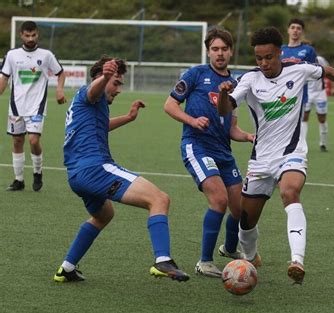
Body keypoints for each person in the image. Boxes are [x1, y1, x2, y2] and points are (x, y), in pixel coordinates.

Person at [217, 27, 334, 284]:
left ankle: (297, 260)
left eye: (269, 57)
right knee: (246, 222)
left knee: (290, 192)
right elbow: (224, 110)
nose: (264, 63)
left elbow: (329, 72)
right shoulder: (249, 80)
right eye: (259, 58)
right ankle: (251, 256)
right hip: (261, 160)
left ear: (279, 53)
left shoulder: (298, 69)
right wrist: (223, 93)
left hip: (292, 153)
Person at [53, 56, 189, 283]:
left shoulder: (92, 106)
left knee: (103, 215)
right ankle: (162, 259)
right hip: (95, 169)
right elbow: (93, 90)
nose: (118, 89)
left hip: (77, 175)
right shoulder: (90, 93)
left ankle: (67, 268)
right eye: (116, 83)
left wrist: (128, 117)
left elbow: (101, 126)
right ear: (100, 78)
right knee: (159, 199)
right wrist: (106, 76)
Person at [164, 28, 253, 278]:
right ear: (208, 51)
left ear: (231, 51)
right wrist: (192, 121)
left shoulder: (235, 84)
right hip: (197, 145)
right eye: (215, 49)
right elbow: (169, 105)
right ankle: (204, 261)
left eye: (224, 49)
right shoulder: (195, 74)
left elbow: (231, 127)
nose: (220, 53)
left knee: (239, 208)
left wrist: (246, 136)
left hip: (223, 151)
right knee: (219, 200)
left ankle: (230, 249)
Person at [0, 20, 66, 191]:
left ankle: (37, 172)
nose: (30, 38)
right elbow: (4, 78)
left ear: (37, 34)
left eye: (33, 35)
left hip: (37, 106)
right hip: (16, 106)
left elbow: (60, 73)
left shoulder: (46, 55)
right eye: (27, 35)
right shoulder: (12, 55)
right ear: (21, 35)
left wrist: (59, 90)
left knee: (33, 140)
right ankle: (19, 180)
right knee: (17, 141)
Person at [280, 18, 318, 150]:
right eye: (293, 27)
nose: (295, 30)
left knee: (296, 125)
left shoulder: (308, 50)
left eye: (298, 28)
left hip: (299, 95)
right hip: (280, 94)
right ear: (288, 30)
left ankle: (298, 153)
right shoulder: (280, 50)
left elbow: (315, 72)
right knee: (279, 124)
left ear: (302, 32)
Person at [306, 55, 334, 151]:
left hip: (320, 93)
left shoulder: (320, 59)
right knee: (303, 118)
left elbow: (330, 71)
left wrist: (333, 87)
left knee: (322, 119)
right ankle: (301, 144)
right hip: (306, 93)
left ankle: (323, 143)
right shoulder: (301, 60)